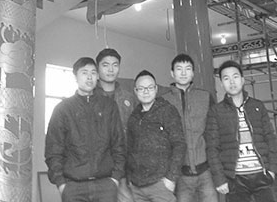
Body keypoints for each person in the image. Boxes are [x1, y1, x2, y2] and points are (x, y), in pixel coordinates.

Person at [45, 57, 125, 202]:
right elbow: (53, 149)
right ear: (75, 76)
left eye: (93, 73)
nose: (89, 77)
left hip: (105, 186)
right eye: (84, 72)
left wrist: (115, 178)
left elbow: (119, 143)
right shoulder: (63, 109)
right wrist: (61, 183)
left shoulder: (109, 106)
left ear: (97, 76)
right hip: (73, 187)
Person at [206, 60, 277, 202]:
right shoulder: (216, 111)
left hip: (261, 174)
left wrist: (272, 169)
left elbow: (270, 138)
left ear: (243, 80)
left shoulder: (257, 106)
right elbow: (212, 148)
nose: (232, 82)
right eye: (226, 78)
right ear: (221, 84)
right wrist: (219, 179)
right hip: (235, 179)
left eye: (235, 77)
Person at [162, 54, 218, 202]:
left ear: (193, 73)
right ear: (172, 73)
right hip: (180, 174)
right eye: (179, 69)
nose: (183, 73)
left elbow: (213, 133)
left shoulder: (205, 97)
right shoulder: (163, 101)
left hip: (205, 170)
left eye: (187, 69)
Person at [126, 70, 186, 202]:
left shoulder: (167, 110)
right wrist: (130, 178)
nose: (146, 92)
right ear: (135, 91)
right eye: (141, 88)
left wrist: (171, 178)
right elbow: (129, 149)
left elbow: (179, 144)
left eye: (150, 87)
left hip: (160, 184)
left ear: (156, 89)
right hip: (137, 186)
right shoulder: (133, 117)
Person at [95, 47, 137, 202]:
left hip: (124, 168)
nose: (110, 69)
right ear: (97, 68)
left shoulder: (129, 98)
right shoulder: (88, 96)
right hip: (97, 168)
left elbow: (135, 132)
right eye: (105, 65)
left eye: (115, 65)